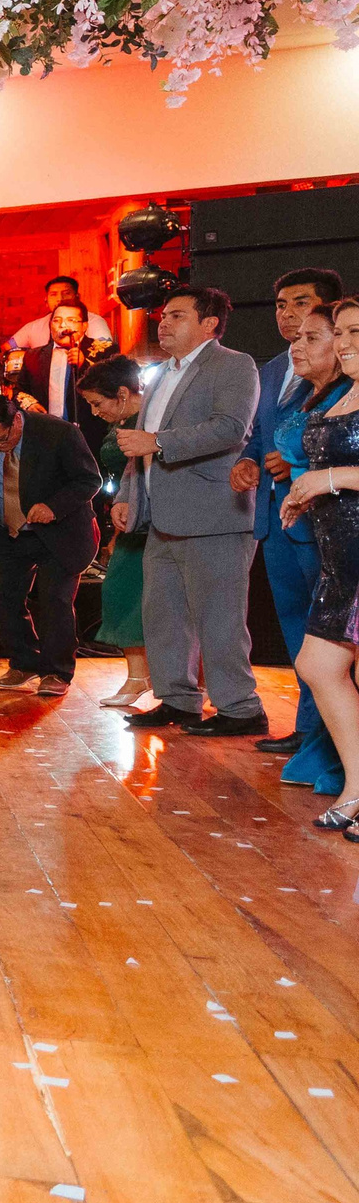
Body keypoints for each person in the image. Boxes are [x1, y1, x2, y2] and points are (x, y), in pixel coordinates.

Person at [115, 286, 265, 736]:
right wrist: (126, 493)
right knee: (163, 617)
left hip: (214, 513)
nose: (163, 322)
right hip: (161, 517)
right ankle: (178, 701)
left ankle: (241, 708)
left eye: (177, 316)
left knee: (219, 618)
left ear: (209, 324)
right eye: (163, 316)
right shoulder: (160, 373)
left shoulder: (234, 364)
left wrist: (159, 442)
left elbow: (231, 428)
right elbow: (137, 446)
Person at [240, 268, 345, 769]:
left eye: (299, 303)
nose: (286, 314)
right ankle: (309, 731)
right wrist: (248, 461)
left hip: (330, 522)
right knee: (297, 632)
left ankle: (329, 741)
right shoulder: (269, 370)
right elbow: (260, 439)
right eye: (280, 305)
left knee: (332, 638)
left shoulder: (344, 377)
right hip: (278, 518)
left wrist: (299, 462)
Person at [284, 297, 359, 836]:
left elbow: (340, 473)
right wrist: (307, 493)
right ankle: (357, 787)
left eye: (357, 332)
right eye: (341, 331)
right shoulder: (346, 392)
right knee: (318, 665)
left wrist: (328, 480)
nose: (345, 342)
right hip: (342, 557)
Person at [0, 396, 102, 696]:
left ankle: (58, 672)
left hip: (60, 531)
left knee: (54, 599)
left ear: (16, 420)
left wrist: (53, 506)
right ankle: (25, 662)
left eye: (0, 439)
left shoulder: (59, 432)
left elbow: (89, 480)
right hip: (10, 530)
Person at [78, 358, 156, 709]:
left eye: (98, 403)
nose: (95, 413)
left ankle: (193, 682)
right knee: (121, 592)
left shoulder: (153, 416)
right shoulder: (123, 419)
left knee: (169, 601)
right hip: (129, 517)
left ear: (123, 394)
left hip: (157, 515)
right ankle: (138, 678)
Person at [14, 302, 106, 446]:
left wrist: (84, 365)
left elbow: (112, 386)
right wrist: (29, 403)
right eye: (57, 320)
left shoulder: (103, 351)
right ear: (50, 325)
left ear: (84, 326)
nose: (63, 325)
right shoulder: (33, 356)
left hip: (91, 436)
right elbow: (19, 391)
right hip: (47, 435)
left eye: (71, 320)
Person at [9, 276, 117, 351]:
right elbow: (7, 349)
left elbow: (105, 350)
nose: (60, 299)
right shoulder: (33, 327)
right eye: (53, 294)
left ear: (77, 297)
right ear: (46, 301)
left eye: (66, 293)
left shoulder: (94, 321)